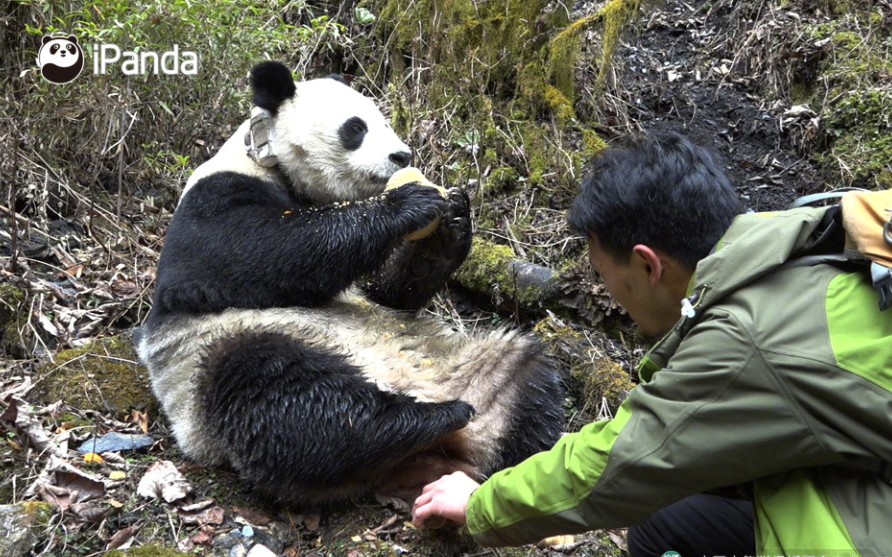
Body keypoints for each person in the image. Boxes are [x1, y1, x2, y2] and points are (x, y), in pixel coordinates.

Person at [412, 132, 892, 557]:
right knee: (668, 524)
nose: (611, 299)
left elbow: (626, 460)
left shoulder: (749, 339)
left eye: (606, 277)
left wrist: (481, 504)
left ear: (648, 266)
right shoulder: (804, 240)